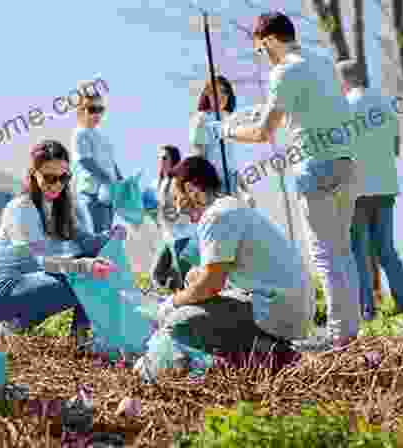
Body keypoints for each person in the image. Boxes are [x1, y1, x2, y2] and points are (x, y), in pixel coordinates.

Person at [218, 12, 361, 347]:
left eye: (259, 49)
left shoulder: (284, 71)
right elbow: (307, 109)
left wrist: (228, 131)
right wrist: (257, 111)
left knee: (325, 255)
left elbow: (264, 132)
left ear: (268, 40)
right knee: (342, 252)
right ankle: (349, 331)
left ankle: (339, 336)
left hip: (316, 168)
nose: (262, 56)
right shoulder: (322, 61)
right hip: (346, 164)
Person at [134, 157, 314, 380]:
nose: (178, 208)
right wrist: (200, 278)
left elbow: (211, 286)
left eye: (177, 198)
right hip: (288, 306)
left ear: (192, 190)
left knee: (179, 322)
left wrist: (171, 302)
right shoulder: (229, 207)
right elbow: (220, 276)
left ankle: (273, 355)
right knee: (197, 307)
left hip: (279, 310)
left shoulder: (215, 216)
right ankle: (262, 351)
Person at [0, 140, 124, 350]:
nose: (57, 184)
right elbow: (42, 261)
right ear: (33, 174)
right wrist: (84, 266)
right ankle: (80, 341)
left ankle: (22, 327)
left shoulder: (62, 207)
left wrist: (110, 236)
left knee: (97, 257)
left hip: (36, 283)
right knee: (87, 274)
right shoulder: (21, 208)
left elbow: (87, 242)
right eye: (49, 178)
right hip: (4, 291)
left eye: (64, 178)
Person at [336, 59, 403, 320]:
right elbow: (396, 148)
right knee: (386, 250)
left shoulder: (344, 107)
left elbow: (340, 151)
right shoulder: (386, 106)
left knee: (360, 251)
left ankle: (367, 311)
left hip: (358, 190)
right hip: (386, 187)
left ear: (343, 80)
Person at [190, 75, 255, 206]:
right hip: (212, 184)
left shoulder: (229, 119)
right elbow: (199, 158)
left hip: (231, 184)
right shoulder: (202, 119)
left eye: (224, 91)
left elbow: (232, 164)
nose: (221, 96)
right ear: (207, 93)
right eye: (216, 92)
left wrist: (246, 191)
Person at [70, 84, 123, 234]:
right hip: (91, 193)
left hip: (108, 192)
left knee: (106, 236)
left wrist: (120, 180)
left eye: (100, 110)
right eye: (92, 109)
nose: (97, 114)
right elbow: (85, 161)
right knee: (97, 235)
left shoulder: (101, 135)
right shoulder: (80, 134)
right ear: (81, 111)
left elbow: (110, 162)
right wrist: (107, 178)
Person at [149, 145, 196, 290]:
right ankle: (175, 292)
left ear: (173, 160)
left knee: (183, 276)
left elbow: (188, 204)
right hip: (169, 236)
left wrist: (176, 210)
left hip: (184, 235)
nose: (161, 161)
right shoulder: (160, 183)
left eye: (164, 158)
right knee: (157, 273)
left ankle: (185, 298)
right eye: (159, 158)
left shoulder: (180, 180)